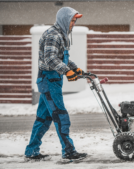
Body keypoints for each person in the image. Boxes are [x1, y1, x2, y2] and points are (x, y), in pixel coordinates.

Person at [24, 7, 87, 161]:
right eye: (72, 20)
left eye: (75, 21)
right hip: (49, 81)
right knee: (61, 116)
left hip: (52, 81)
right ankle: (69, 151)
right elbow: (50, 59)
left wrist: (74, 68)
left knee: (43, 118)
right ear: (64, 20)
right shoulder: (53, 35)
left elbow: (61, 57)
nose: (73, 24)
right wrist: (67, 71)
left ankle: (31, 151)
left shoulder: (61, 34)